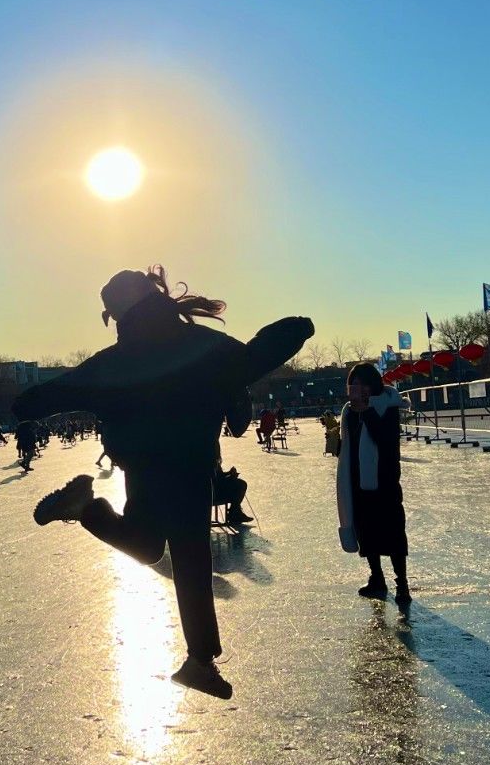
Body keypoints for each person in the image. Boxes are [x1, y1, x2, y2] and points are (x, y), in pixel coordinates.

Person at [16, 266, 313, 700]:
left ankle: (86, 507)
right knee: (190, 560)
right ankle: (200, 661)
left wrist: (25, 403)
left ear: (118, 315)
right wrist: (295, 330)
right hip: (189, 465)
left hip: (142, 468)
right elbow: (250, 360)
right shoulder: (200, 346)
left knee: (149, 545)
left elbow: (61, 389)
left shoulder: (111, 364)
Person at [336, 363, 410, 604]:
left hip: (384, 482)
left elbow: (385, 441)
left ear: (373, 385)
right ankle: (376, 578)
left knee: (393, 533)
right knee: (366, 533)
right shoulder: (349, 413)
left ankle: (402, 584)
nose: (357, 389)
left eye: (362, 384)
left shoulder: (385, 408)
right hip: (358, 482)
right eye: (353, 384)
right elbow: (347, 447)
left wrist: (367, 410)